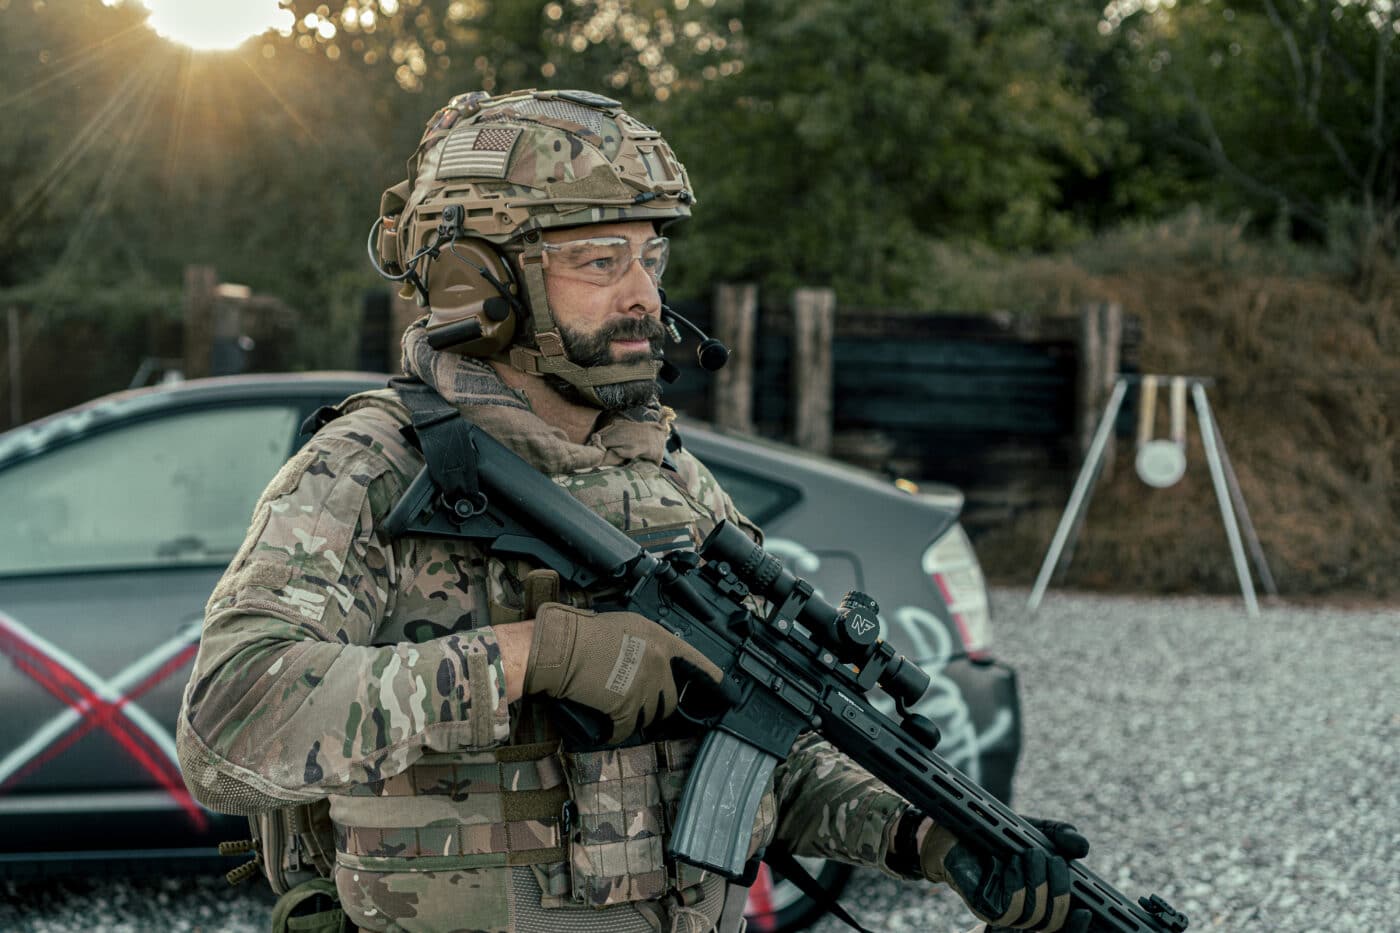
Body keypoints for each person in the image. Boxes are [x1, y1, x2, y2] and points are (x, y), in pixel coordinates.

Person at [177, 89, 1090, 933]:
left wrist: (931, 839)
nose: (646, 295)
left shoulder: (668, 476)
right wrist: (540, 656)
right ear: (476, 284)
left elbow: (759, 743)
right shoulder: (369, 468)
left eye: (652, 255)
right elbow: (226, 723)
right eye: (599, 260)